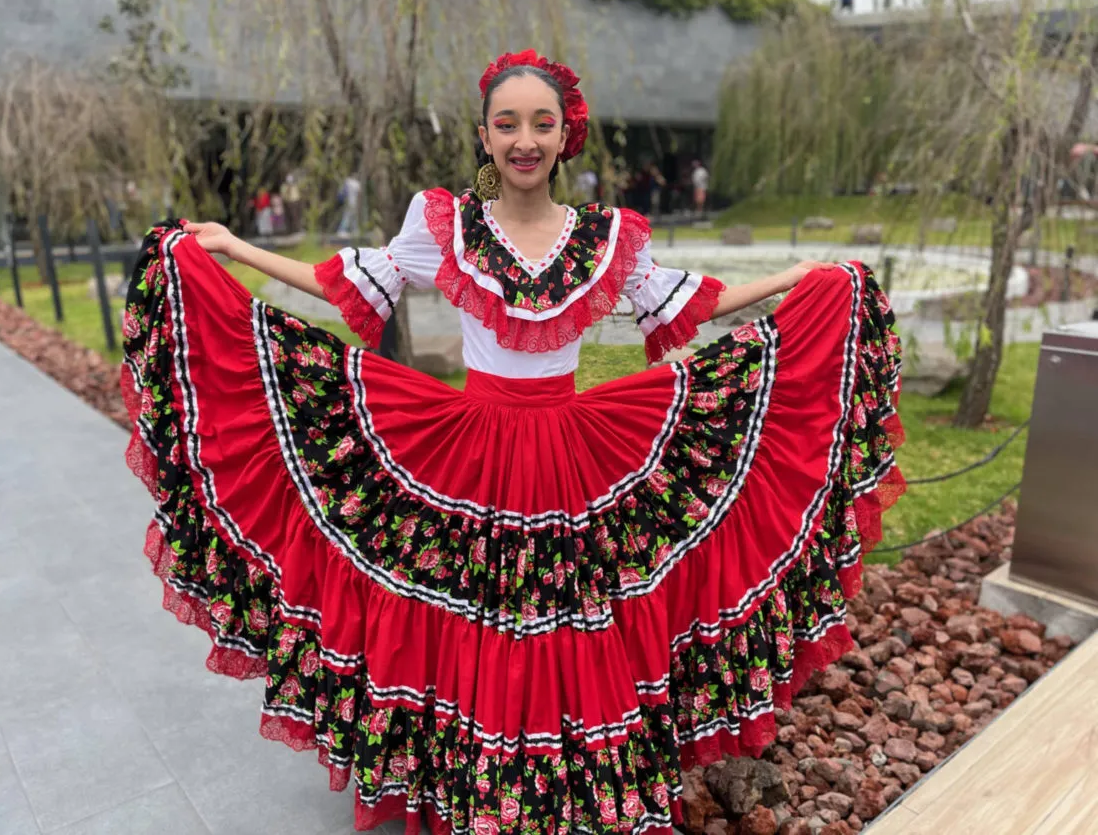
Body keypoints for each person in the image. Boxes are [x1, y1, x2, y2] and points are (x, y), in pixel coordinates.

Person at [125, 49, 904, 834]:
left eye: (542, 123)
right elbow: (347, 279)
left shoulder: (605, 237)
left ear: (568, 136)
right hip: (468, 450)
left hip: (574, 452)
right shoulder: (448, 223)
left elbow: (690, 303)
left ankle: (578, 785)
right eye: (508, 124)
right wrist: (231, 248)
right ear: (485, 135)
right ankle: (474, 786)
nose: (525, 139)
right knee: (480, 609)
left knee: (572, 611)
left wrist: (798, 280)